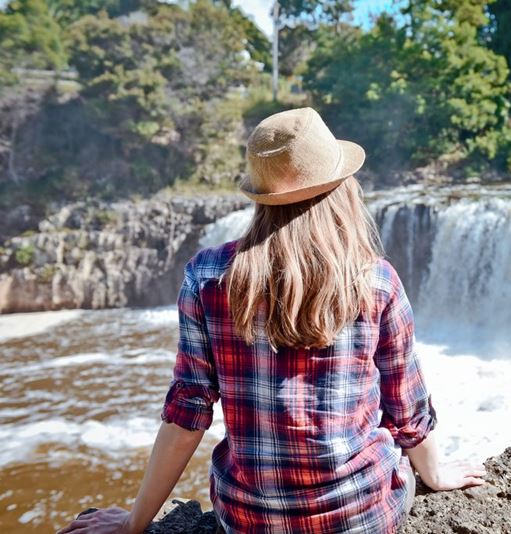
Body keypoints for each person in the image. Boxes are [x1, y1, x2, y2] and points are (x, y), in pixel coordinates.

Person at [57, 107, 485, 534]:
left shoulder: (207, 276)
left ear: (260, 196)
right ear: (341, 188)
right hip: (359, 516)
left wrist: (135, 523)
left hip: (250, 521)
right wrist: (435, 473)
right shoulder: (375, 280)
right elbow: (406, 409)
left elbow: (187, 412)